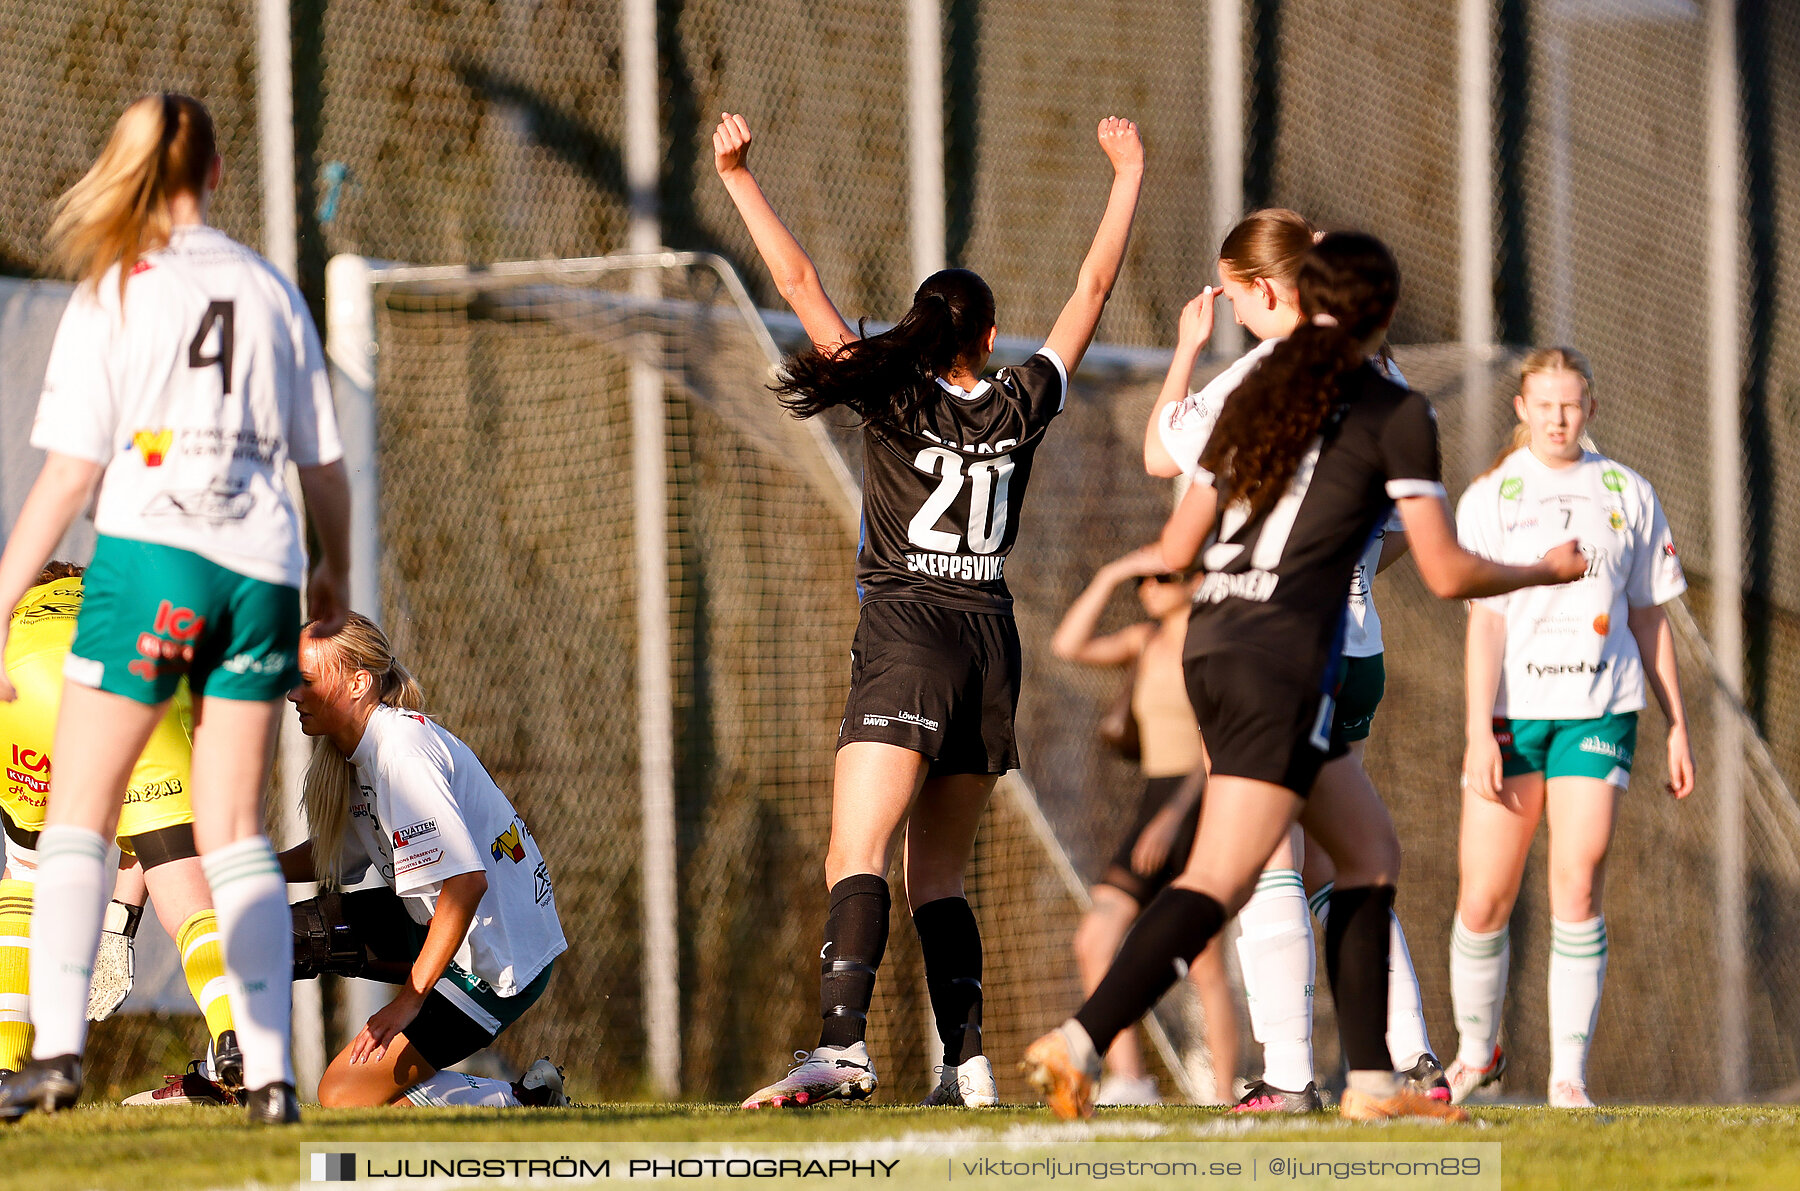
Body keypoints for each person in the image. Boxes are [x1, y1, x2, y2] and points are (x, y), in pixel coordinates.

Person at [1023, 231, 1586, 1122]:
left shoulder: (1252, 385)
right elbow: (1442, 572)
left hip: (1212, 645)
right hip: (1284, 661)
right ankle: (1082, 1039)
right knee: (1221, 878)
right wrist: (1541, 571)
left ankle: (1373, 1083)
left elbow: (1176, 548)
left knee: (1367, 851)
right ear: (1387, 313)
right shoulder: (1396, 410)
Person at [712, 110, 1143, 1109]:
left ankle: (843, 1051)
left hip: (909, 635)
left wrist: (737, 177)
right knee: (937, 877)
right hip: (992, 642)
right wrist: (1125, 176)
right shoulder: (1024, 398)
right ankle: (968, 1065)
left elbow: (798, 288)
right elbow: (1091, 289)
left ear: (918, 329)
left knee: (854, 853)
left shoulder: (891, 393)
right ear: (992, 338)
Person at [0, 93, 351, 1124]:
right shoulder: (270, 288)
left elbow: (70, 478)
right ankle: (275, 1076)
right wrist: (331, 572)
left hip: (152, 559)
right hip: (260, 566)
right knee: (234, 830)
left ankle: (55, 1054)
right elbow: (321, 468)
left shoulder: (115, 288)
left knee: (80, 813)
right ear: (221, 171)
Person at [1144, 209, 1447, 1111]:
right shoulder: (1382, 374)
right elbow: (1397, 532)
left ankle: (1284, 1071)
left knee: (1264, 855)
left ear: (1267, 291)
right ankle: (1412, 1054)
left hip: (1271, 647)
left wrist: (1187, 350)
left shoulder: (1261, 372)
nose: (1230, 313)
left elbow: (1166, 453)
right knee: (1344, 856)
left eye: (1234, 297)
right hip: (1356, 646)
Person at [1448, 348, 1692, 1108]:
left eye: (1571, 404)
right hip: (1511, 715)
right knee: (1484, 896)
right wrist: (1477, 732)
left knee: (1577, 881)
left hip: (1600, 708)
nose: (1558, 417)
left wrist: (1678, 722)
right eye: (1544, 404)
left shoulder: (1627, 491)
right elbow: (1484, 626)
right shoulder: (1491, 495)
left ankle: (1567, 1077)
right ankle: (1472, 1054)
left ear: (1590, 406)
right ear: (1520, 408)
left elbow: (1649, 614)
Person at [278, 614, 568, 1109]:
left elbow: (465, 882)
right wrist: (236, 865)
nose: (292, 694)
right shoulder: (361, 752)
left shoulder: (402, 753)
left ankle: (525, 1100)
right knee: (269, 934)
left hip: (494, 961)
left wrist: (408, 1003)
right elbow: (333, 860)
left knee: (343, 1097)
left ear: (358, 682)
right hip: (432, 925)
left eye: (305, 680)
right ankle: (230, 1074)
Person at [0, 564, 245, 1104]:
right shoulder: (137, 599)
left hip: (26, 681)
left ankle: (5, 1061)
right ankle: (232, 1031)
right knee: (186, 894)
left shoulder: (21, 607)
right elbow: (143, 835)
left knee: (26, 874)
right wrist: (118, 925)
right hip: (136, 681)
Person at [1052, 550, 1238, 1106]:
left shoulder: (1213, 639)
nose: (1150, 588)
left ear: (1199, 579)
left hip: (1195, 800)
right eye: (1143, 581)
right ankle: (1130, 1080)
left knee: (1205, 963)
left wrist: (1174, 817)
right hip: (1153, 803)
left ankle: (1226, 1095)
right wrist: (1109, 572)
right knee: (1096, 939)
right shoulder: (1144, 641)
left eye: (1164, 576)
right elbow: (1068, 645)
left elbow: (1218, 745)